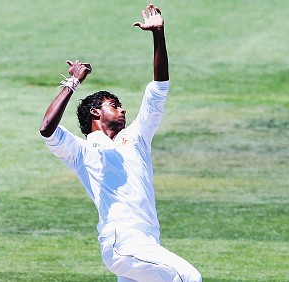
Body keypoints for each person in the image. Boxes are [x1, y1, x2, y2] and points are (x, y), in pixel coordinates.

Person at [40, 4, 202, 282]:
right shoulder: (81, 150)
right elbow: (47, 129)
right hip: (124, 243)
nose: (123, 110)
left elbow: (159, 88)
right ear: (95, 113)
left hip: (148, 242)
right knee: (188, 277)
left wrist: (159, 35)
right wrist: (72, 83)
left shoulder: (137, 137)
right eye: (114, 106)